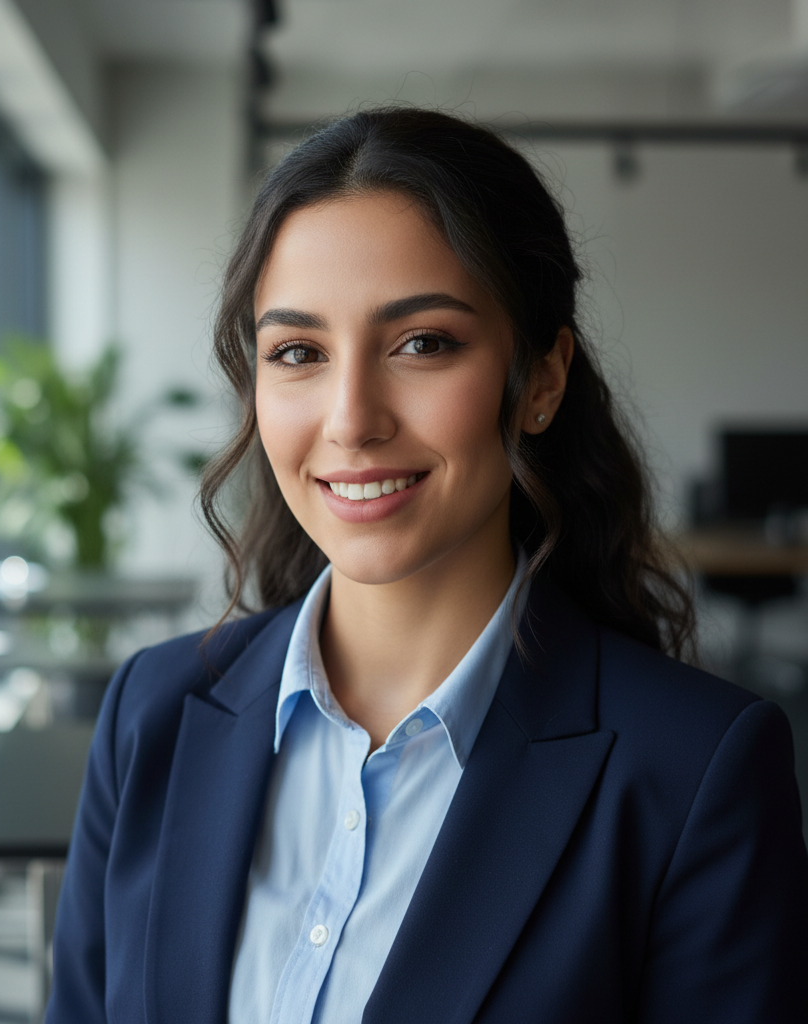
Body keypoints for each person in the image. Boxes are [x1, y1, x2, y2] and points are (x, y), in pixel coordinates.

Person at [45, 108, 808, 1024]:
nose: (351, 418)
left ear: (543, 380)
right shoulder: (151, 716)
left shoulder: (693, 774)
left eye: (423, 344)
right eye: (298, 352)